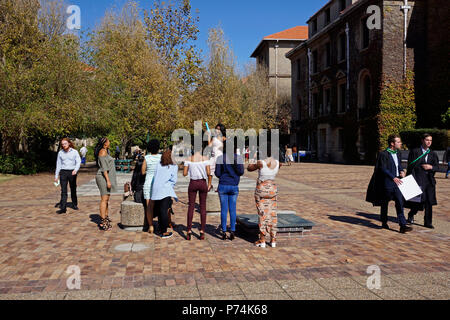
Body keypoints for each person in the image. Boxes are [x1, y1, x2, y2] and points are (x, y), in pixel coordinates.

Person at [366, 134, 412, 233]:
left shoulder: (398, 153)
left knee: (400, 203)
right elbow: (383, 168)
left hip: (398, 183)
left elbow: (398, 165)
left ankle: (402, 225)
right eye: (398, 142)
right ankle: (384, 221)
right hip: (387, 183)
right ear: (392, 143)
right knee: (384, 203)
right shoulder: (384, 154)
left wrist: (402, 171)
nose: (400, 143)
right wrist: (393, 177)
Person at [247, 147, 281, 248]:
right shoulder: (278, 163)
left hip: (261, 189)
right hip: (272, 189)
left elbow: (249, 168)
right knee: (272, 213)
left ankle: (262, 240)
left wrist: (252, 158)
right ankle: (273, 239)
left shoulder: (260, 163)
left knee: (262, 213)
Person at [405, 134, 440, 229]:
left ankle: (428, 222)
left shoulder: (433, 153)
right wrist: (411, 180)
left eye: (431, 140)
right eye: (427, 140)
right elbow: (410, 166)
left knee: (429, 202)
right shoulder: (415, 151)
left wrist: (431, 167)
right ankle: (411, 214)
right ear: (422, 140)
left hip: (429, 181)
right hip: (418, 179)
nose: (429, 142)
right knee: (418, 202)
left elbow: (437, 166)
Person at [215, 136, 245, 241]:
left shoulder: (220, 158)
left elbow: (217, 173)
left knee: (223, 209)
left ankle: (223, 231)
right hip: (234, 185)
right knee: (233, 209)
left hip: (223, 185)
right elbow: (241, 172)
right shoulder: (238, 158)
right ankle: (232, 230)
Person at [183, 138, 212, 241]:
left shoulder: (189, 159)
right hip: (203, 182)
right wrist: (209, 183)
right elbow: (209, 173)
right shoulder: (205, 158)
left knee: (191, 206)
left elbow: (184, 173)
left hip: (193, 182)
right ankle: (202, 231)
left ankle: (189, 230)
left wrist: (190, 169)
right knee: (203, 207)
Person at [151, 148, 178, 239]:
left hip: (156, 189)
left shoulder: (158, 164)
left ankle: (159, 228)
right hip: (165, 189)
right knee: (164, 210)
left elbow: (155, 175)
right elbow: (174, 180)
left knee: (159, 209)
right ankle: (163, 231)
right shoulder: (174, 166)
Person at [94, 137, 117, 231]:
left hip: (107, 177)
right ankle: (102, 221)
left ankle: (106, 217)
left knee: (107, 199)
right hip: (103, 177)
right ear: (105, 143)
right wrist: (108, 180)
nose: (110, 142)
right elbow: (104, 169)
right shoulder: (102, 152)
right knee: (104, 199)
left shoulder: (106, 151)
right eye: (108, 141)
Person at [55, 138, 81, 214]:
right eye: (62, 144)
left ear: (69, 143)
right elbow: (58, 164)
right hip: (63, 172)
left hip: (72, 172)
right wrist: (56, 176)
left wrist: (75, 170)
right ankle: (63, 208)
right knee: (63, 190)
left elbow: (78, 161)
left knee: (73, 188)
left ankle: (74, 204)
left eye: (65, 143)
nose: (64, 145)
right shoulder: (60, 153)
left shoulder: (74, 152)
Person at [141, 139, 162, 234]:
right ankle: (162, 224)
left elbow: (142, 171)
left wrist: (149, 172)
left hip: (148, 183)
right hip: (158, 183)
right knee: (161, 204)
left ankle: (150, 226)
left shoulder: (147, 158)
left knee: (149, 205)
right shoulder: (161, 158)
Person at [131, 153, 147, 230]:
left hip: (137, 196)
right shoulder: (145, 175)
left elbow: (133, 186)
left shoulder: (135, 174)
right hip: (144, 196)